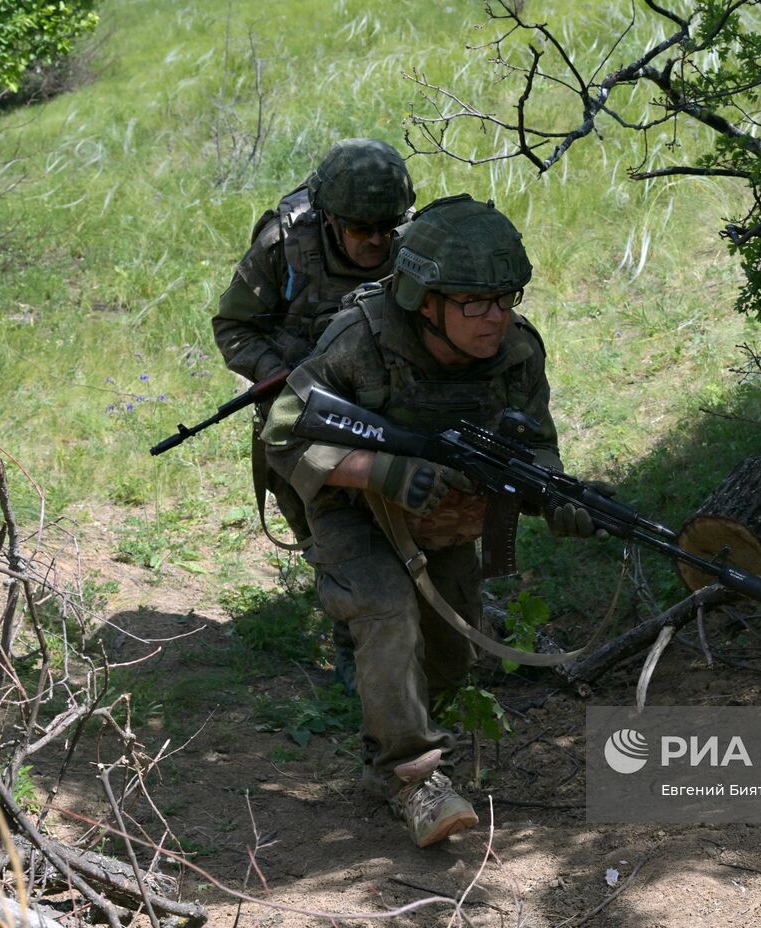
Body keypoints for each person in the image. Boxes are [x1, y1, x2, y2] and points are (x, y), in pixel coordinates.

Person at [258, 194, 594, 847]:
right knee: (387, 610)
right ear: (425, 299)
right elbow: (282, 433)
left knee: (449, 645)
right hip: (350, 502)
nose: (495, 316)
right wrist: (377, 472)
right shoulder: (360, 341)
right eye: (474, 302)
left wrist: (556, 493)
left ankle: (401, 720)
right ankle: (412, 778)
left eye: (505, 297)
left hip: (442, 514)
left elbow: (537, 444)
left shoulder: (517, 353)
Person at [211, 138, 415, 691]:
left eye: (386, 227)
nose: (376, 241)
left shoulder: (413, 243)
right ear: (328, 218)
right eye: (359, 229)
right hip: (303, 419)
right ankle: (355, 646)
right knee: (333, 537)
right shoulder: (284, 245)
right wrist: (284, 372)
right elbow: (233, 327)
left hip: (390, 408)